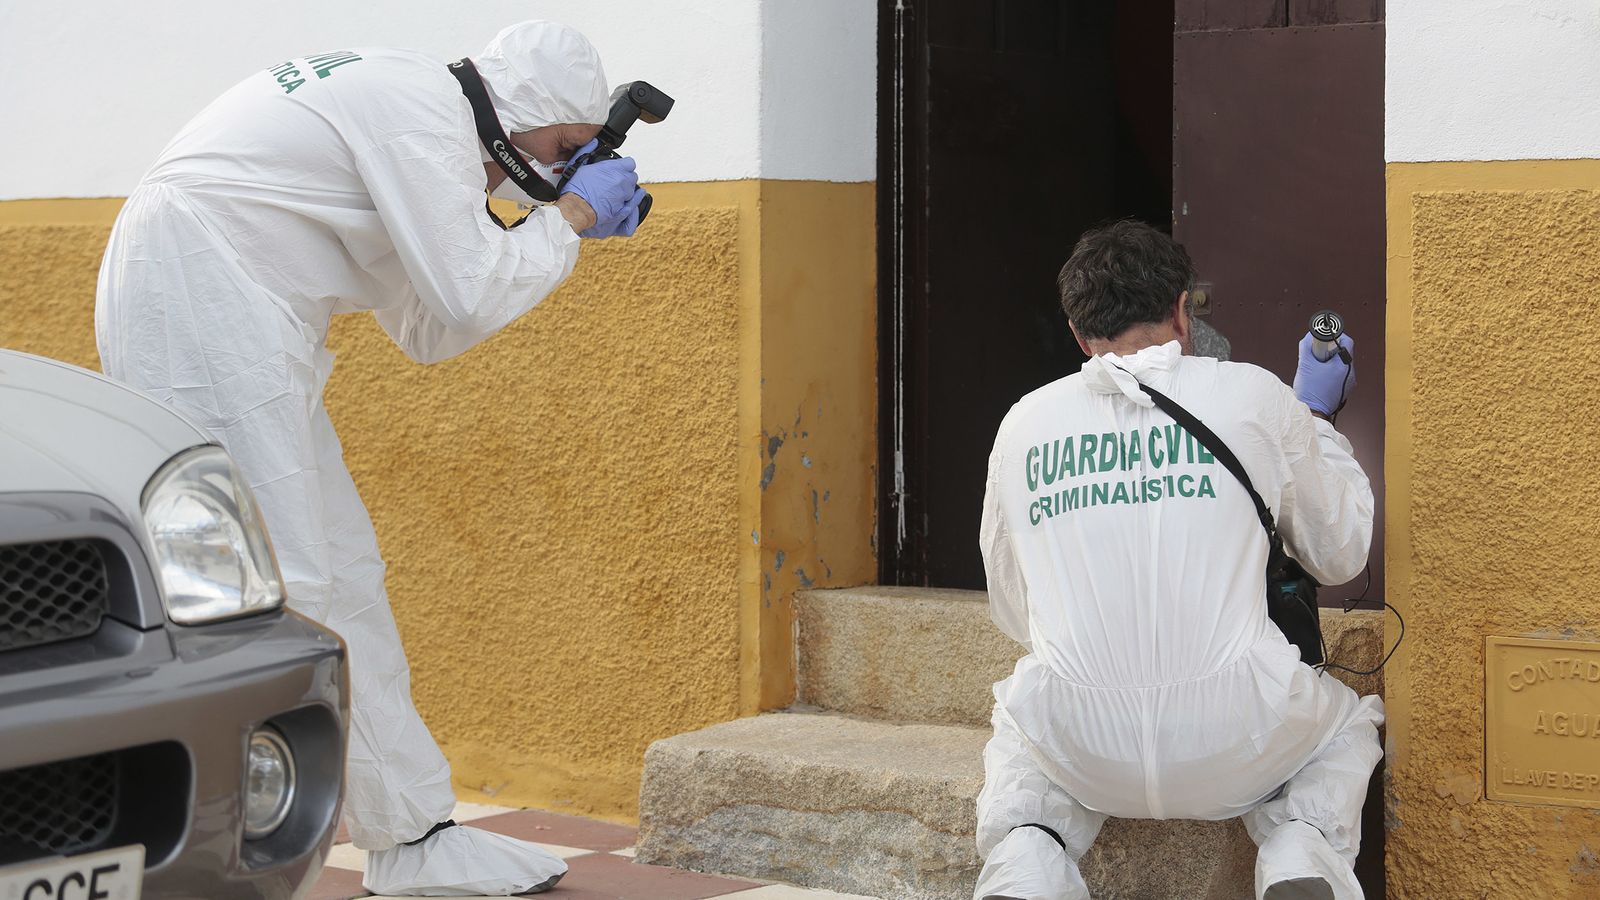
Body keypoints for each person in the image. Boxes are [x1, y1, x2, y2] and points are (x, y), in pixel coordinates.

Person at [95, 21, 644, 897]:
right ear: (524, 113)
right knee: (274, 585)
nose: (562, 165)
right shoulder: (418, 112)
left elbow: (428, 328)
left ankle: (414, 837)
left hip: (248, 314)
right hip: (200, 295)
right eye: (565, 147)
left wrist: (541, 219)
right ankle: (212, 845)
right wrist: (570, 218)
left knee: (343, 575)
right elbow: (465, 296)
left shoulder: (433, 133)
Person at [973, 221, 1382, 900]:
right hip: (1242, 741)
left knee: (1024, 742)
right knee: (1345, 728)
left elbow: (1016, 613)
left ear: (1079, 336)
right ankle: (1300, 852)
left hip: (1084, 749)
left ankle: (1026, 869)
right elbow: (1340, 554)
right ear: (1183, 311)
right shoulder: (1254, 397)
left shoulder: (1022, 424)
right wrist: (1314, 418)